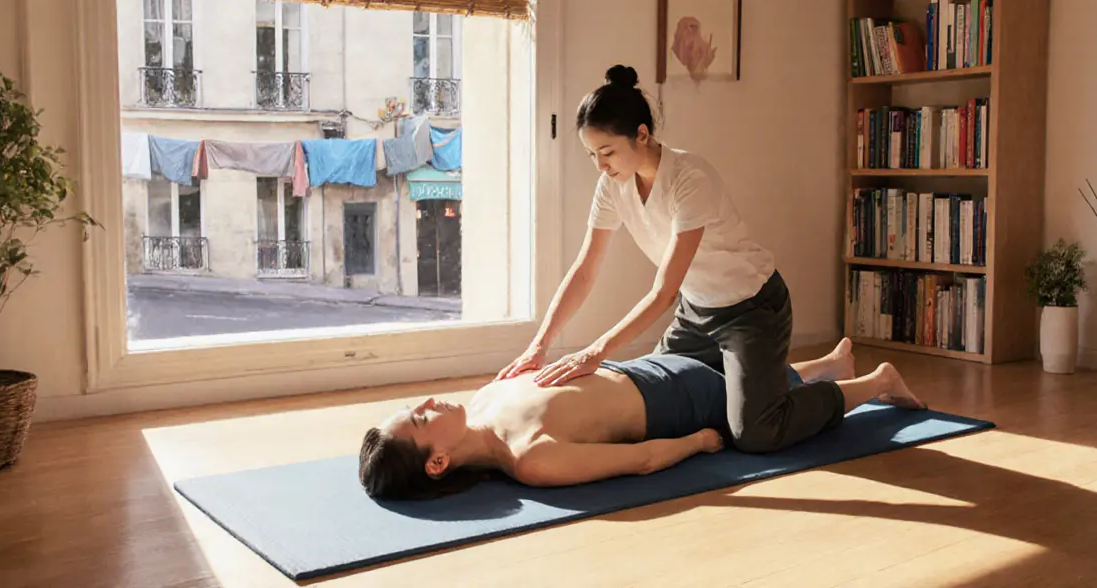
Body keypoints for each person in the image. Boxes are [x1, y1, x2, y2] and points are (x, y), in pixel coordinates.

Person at [496, 64, 871, 455]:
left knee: (755, 432)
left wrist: (595, 353)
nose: (601, 166)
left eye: (607, 152)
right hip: (696, 313)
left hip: (752, 310)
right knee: (665, 403)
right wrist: (539, 345)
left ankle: (869, 384)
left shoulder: (690, 178)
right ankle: (826, 365)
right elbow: (586, 270)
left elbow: (662, 292)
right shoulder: (612, 185)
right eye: (592, 154)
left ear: (642, 135)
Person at [359, 338, 926, 500]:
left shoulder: (484, 399)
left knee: (760, 404)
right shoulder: (530, 458)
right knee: (761, 423)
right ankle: (874, 382)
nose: (429, 403)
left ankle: (833, 366)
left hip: (658, 364)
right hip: (678, 396)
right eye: (420, 417)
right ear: (437, 461)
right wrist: (701, 441)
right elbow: (642, 458)